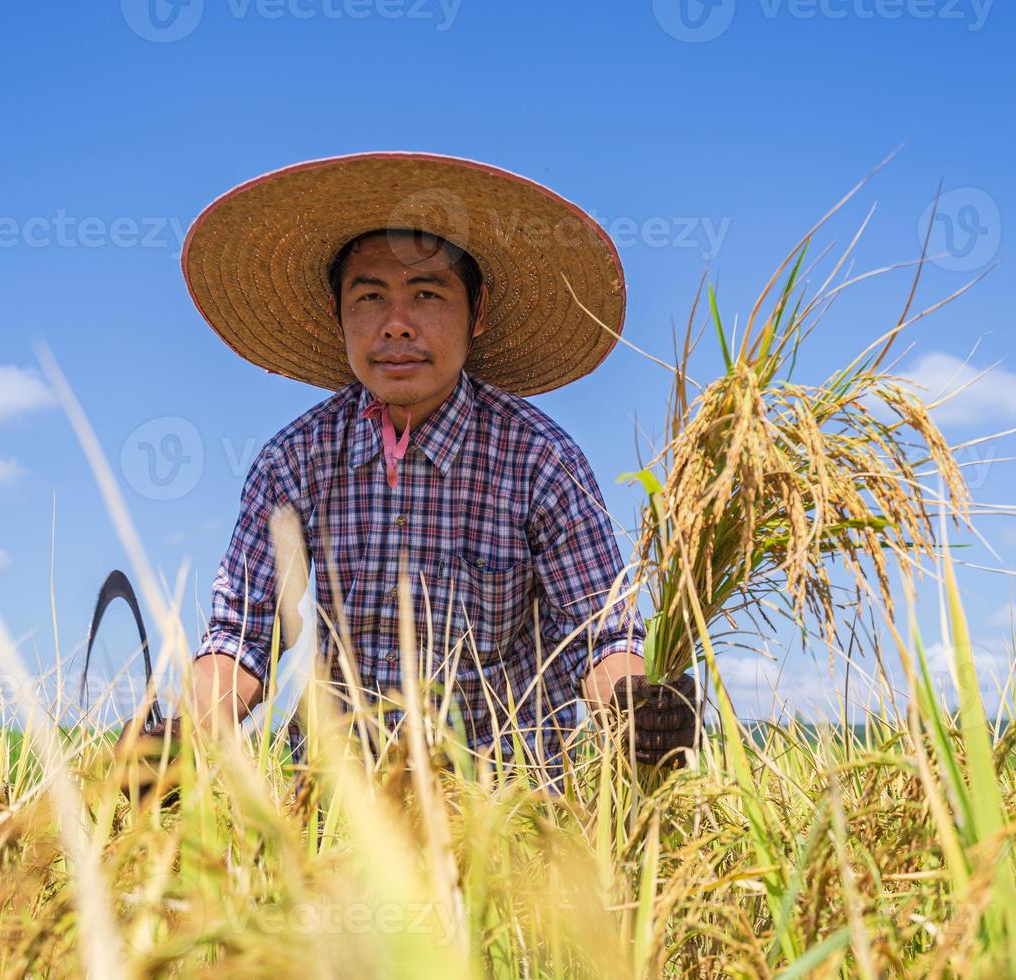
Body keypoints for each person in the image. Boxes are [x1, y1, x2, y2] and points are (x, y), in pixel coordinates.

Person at [149, 152, 700, 781]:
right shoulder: (293, 463)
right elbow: (243, 640)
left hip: (508, 809)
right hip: (337, 814)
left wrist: (639, 706)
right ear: (339, 316)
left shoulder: (542, 462)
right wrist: (183, 740)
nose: (397, 325)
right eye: (370, 297)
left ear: (478, 311)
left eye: (427, 294)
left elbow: (600, 638)